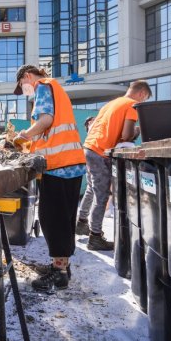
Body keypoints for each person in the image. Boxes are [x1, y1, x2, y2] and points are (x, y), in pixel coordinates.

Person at [12, 65, 86, 291]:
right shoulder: (56, 88)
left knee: (52, 219)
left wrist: (23, 135)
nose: (25, 90)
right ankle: (62, 265)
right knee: (63, 218)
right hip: (70, 163)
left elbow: (45, 120)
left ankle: (59, 273)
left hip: (59, 165)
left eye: (22, 86)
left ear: (27, 77)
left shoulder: (42, 86)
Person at [76, 80, 152, 250]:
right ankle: (95, 236)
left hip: (89, 147)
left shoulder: (111, 104)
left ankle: (81, 222)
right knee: (102, 195)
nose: (143, 103)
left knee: (92, 188)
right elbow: (126, 135)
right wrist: (138, 131)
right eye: (144, 99)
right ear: (141, 94)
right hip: (100, 152)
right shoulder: (133, 105)